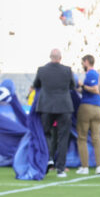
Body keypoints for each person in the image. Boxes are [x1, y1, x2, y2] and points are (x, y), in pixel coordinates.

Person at [32, 48, 75, 178]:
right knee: (63, 138)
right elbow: (72, 86)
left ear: (50, 57)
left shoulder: (42, 70)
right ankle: (60, 169)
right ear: (60, 58)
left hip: (46, 106)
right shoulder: (67, 70)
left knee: (45, 135)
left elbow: (36, 84)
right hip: (64, 106)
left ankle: (47, 161)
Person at [75, 54, 100, 175]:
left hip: (87, 107)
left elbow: (95, 89)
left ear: (86, 62)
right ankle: (99, 166)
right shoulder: (97, 74)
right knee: (96, 138)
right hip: (97, 109)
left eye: (83, 62)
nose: (82, 65)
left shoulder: (91, 74)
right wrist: (79, 89)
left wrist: (82, 85)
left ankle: (85, 167)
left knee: (82, 138)